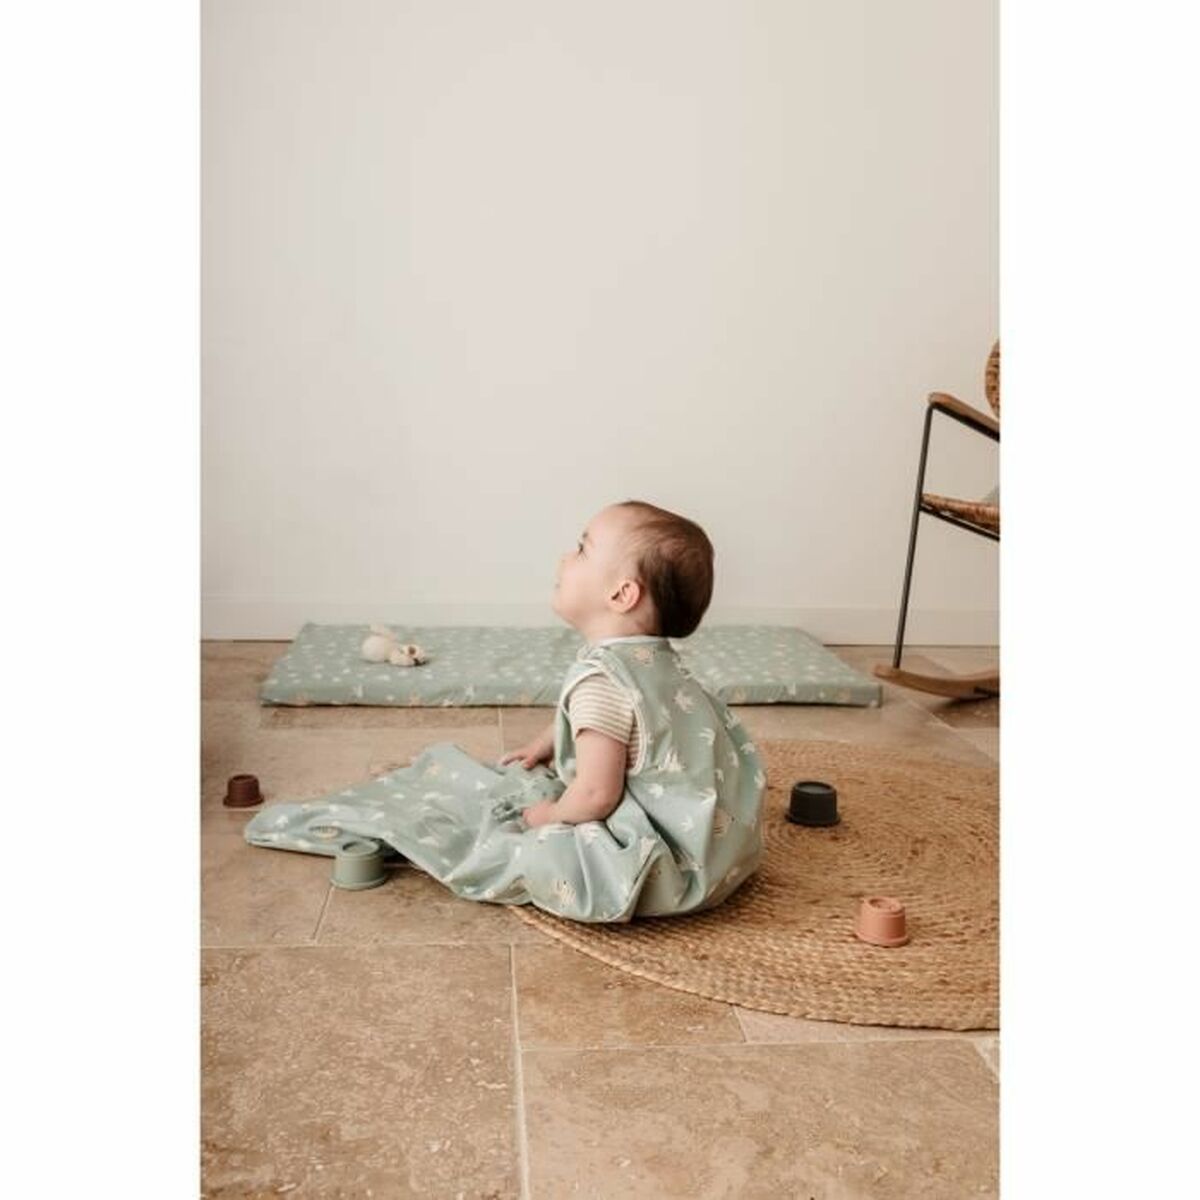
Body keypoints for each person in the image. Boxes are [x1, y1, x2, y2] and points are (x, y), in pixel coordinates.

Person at [244, 500, 767, 922]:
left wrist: (549, 817)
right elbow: (619, 725)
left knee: (537, 836)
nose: (565, 557)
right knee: (542, 782)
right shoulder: (654, 663)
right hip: (719, 846)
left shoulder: (603, 682)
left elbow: (596, 794)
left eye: (582, 548)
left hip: (673, 868)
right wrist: (545, 742)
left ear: (621, 594)